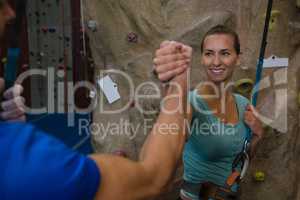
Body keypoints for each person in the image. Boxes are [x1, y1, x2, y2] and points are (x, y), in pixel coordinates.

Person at [0, 1, 194, 199]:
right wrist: (179, 83)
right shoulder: (39, 168)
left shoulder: (22, 156)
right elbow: (153, 178)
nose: (10, 13)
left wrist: (13, 134)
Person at [153, 25, 264, 200]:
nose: (216, 62)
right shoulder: (191, 103)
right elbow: (169, 143)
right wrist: (170, 83)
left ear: (238, 58)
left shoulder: (243, 104)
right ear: (202, 59)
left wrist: (258, 134)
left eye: (225, 53)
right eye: (209, 53)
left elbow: (243, 157)